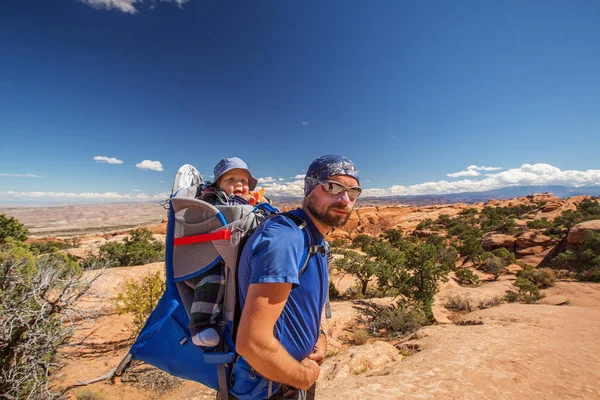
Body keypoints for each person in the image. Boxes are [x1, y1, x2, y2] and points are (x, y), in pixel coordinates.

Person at [230, 154, 361, 400]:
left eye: (353, 192)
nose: (344, 199)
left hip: (288, 379)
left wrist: (319, 338)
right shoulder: (286, 239)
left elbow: (299, 306)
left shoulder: (314, 238)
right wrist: (304, 376)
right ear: (310, 188)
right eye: (333, 187)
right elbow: (252, 343)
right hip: (265, 389)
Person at [188, 157, 261, 347]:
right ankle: (201, 325)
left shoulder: (241, 199)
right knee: (214, 279)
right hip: (210, 256)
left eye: (243, 181)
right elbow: (226, 213)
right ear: (218, 183)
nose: (239, 185)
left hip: (232, 251)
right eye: (231, 180)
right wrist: (246, 204)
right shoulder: (212, 197)